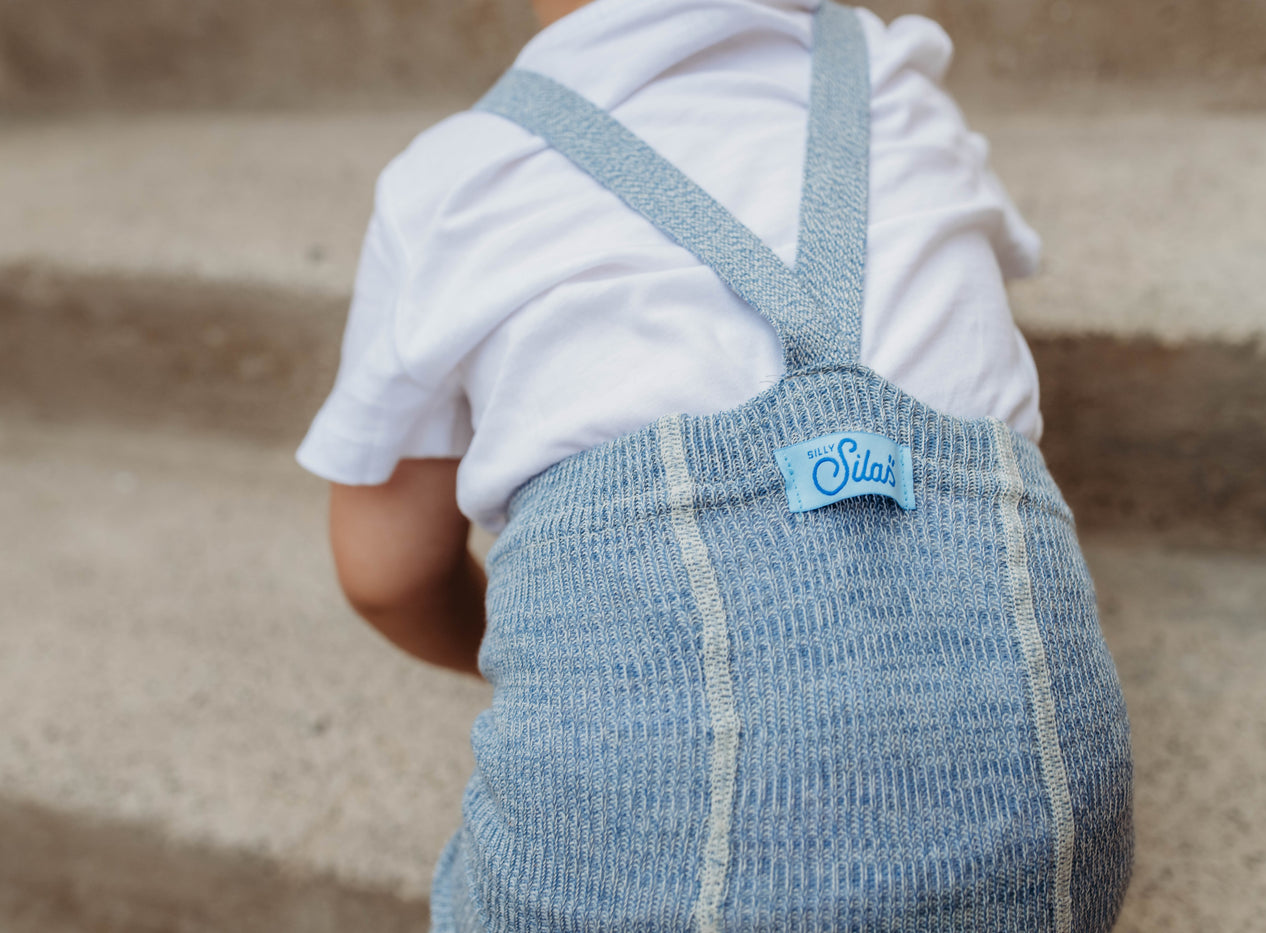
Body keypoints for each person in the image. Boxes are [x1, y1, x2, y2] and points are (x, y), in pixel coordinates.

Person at [296, 1, 1134, 930]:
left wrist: (567, 656)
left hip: (620, 878)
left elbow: (385, 572)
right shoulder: (900, 82)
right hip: (1047, 827)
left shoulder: (449, 181)